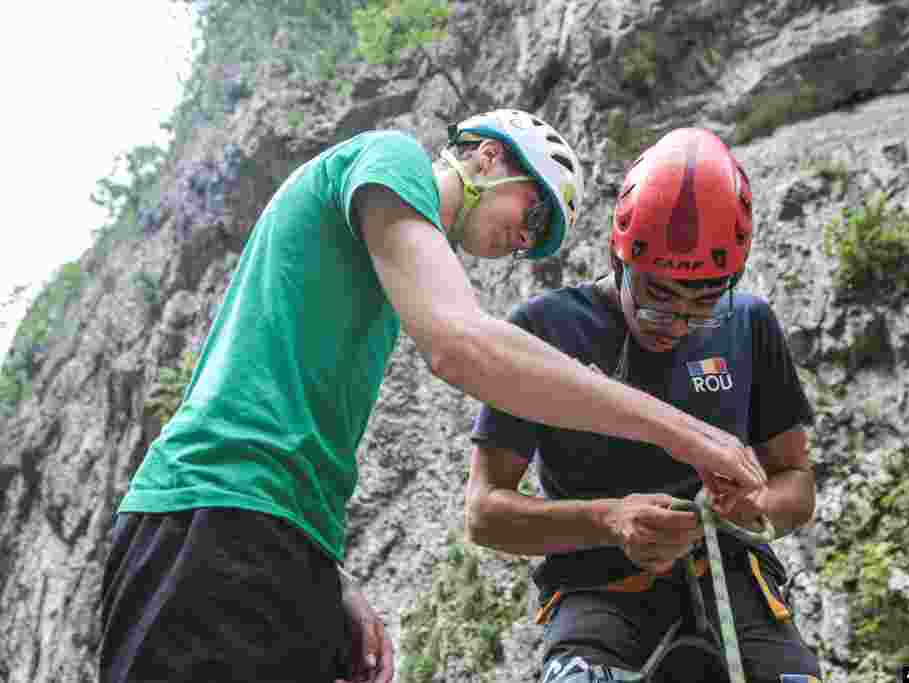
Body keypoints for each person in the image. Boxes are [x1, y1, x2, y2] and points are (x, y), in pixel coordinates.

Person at [99, 111, 768, 683]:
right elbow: (464, 345)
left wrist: (329, 574)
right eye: (533, 213)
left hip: (275, 535)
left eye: (538, 240)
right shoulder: (389, 156)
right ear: (488, 154)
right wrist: (687, 432)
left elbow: (282, 396)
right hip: (211, 517)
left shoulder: (383, 284)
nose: (524, 240)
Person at [466, 128, 821, 682]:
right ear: (618, 257)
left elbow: (795, 481)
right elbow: (485, 513)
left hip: (731, 572)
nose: (678, 326)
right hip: (597, 584)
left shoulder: (749, 325)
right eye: (658, 299)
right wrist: (609, 519)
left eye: (703, 305)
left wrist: (759, 508)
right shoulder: (546, 331)